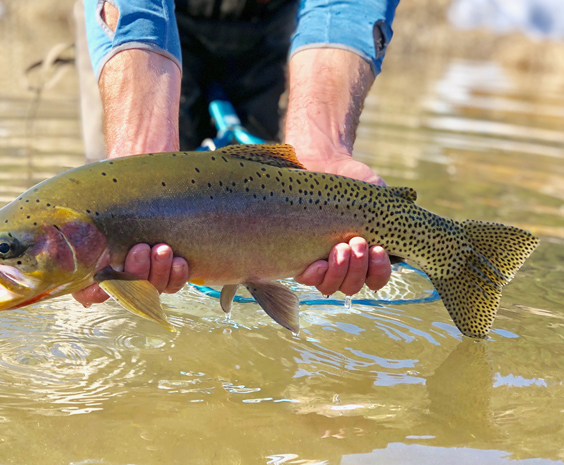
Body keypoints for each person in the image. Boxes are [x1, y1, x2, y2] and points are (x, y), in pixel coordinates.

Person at [73, 0, 399, 307]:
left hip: (280, 23)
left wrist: (323, 145)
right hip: (137, 22)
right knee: (108, 218)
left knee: (269, 228)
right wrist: (136, 157)